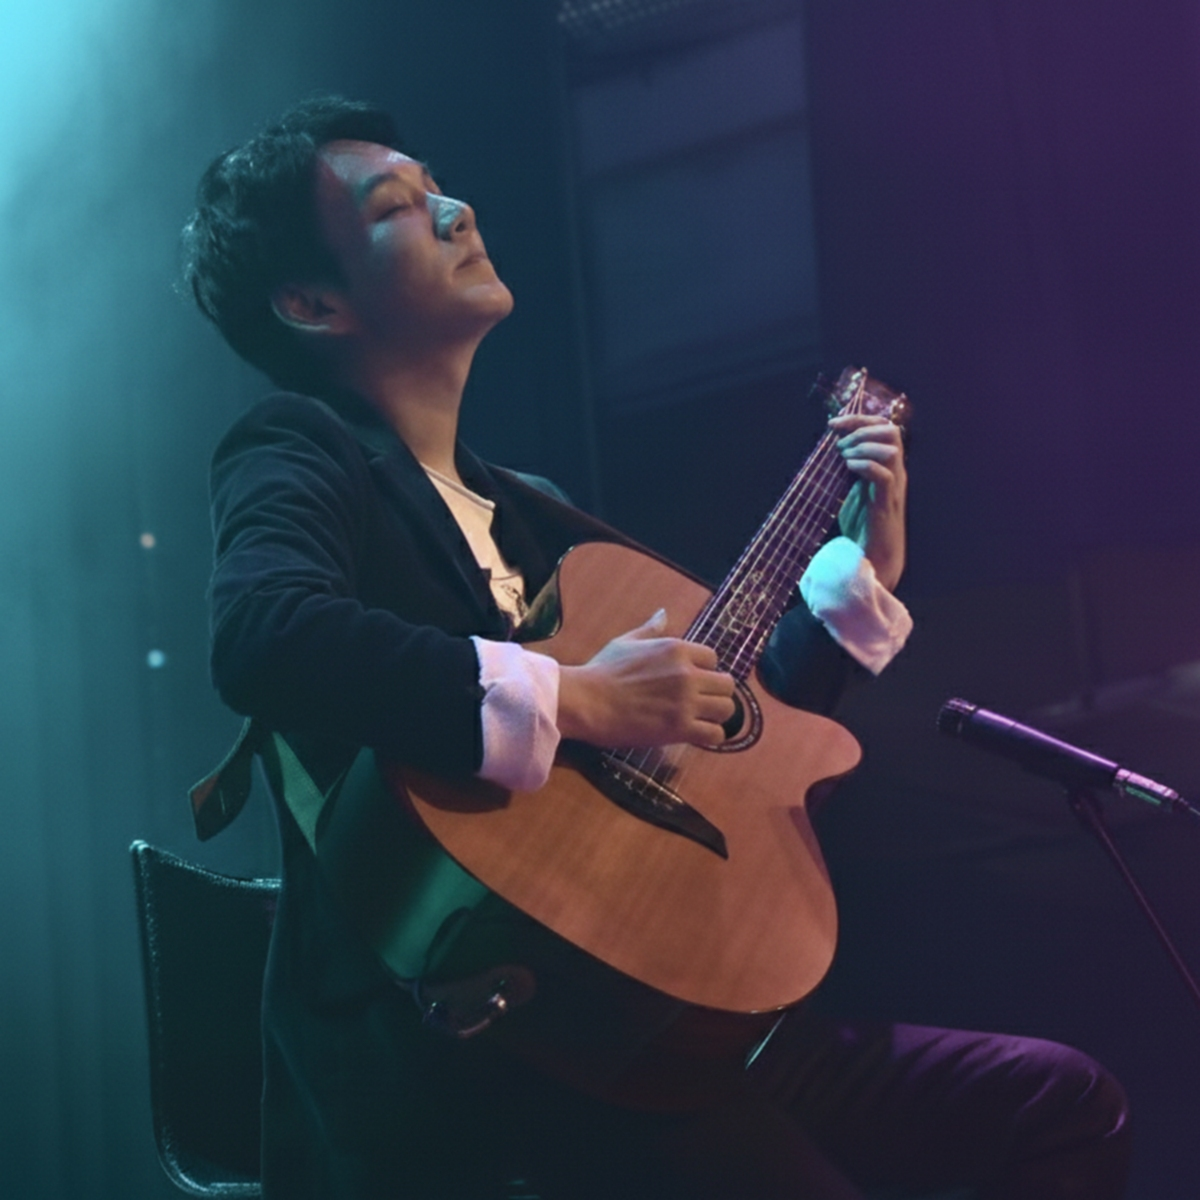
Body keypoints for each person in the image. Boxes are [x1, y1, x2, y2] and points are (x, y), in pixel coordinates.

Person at [182, 96, 1131, 1199]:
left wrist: (863, 570)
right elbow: (264, 634)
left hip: (662, 1026)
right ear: (311, 303)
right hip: (476, 1050)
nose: (455, 208)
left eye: (440, 184)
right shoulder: (301, 446)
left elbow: (727, 717)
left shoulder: (531, 508)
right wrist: (581, 697)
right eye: (397, 205)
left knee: (1057, 1102)